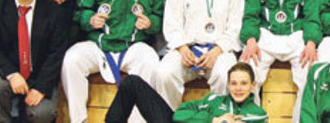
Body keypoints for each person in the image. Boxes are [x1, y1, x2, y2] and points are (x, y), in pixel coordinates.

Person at [60, 0, 167, 123]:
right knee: (72, 58)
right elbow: (80, 12)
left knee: (151, 60)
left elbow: (162, 19)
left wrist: (150, 23)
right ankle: (79, 120)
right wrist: (90, 20)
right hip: (99, 45)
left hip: (132, 46)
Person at [239, 0, 321, 121]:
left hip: (296, 36)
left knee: (310, 77)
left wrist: (311, 42)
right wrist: (250, 39)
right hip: (265, 35)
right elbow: (250, 13)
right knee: (246, 73)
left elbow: (312, 14)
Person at [155, 0, 244, 110]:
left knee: (227, 73)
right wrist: (182, 47)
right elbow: (172, 24)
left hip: (219, 52)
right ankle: (166, 117)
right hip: (186, 51)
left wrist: (217, 50)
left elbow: (234, 29)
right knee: (165, 73)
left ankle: (221, 119)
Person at [105, 62, 267, 123]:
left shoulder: (258, 114)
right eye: (234, 83)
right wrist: (213, 119)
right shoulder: (214, 99)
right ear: (228, 85)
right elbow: (179, 115)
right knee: (132, 82)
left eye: (244, 84)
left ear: (253, 85)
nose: (238, 88)